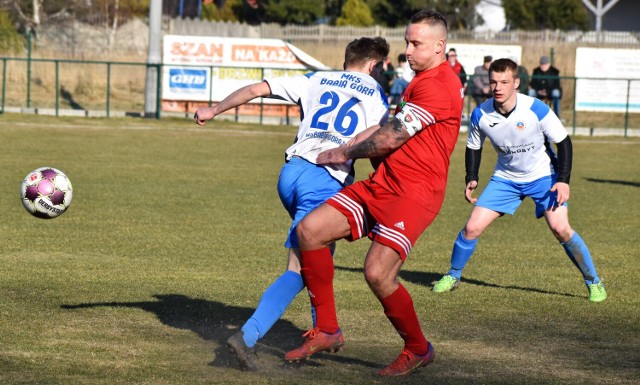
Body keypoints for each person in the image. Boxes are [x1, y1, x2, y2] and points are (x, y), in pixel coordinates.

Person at [194, 36, 391, 371]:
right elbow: (372, 135)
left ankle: (323, 328)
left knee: (317, 256)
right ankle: (247, 337)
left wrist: (213, 109)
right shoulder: (374, 91)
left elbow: (257, 89)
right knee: (300, 269)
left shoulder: (315, 78)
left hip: (292, 173)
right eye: (383, 68)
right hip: (324, 179)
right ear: (374, 65)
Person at [284, 9, 464, 377]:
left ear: (439, 46)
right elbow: (386, 125)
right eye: (407, 42)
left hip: (415, 194)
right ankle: (328, 329)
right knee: (309, 232)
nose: (408, 51)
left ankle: (418, 348)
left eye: (416, 44)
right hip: (384, 183)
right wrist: (355, 139)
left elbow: (392, 137)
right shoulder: (420, 80)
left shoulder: (440, 85)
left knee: (377, 273)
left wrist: (344, 151)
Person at [432, 58, 607, 303]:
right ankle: (453, 275)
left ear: (516, 83)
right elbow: (473, 146)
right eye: (493, 82)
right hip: (505, 179)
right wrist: (471, 177)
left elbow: (563, 142)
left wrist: (564, 180)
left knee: (561, 229)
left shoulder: (535, 108)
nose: (498, 87)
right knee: (472, 228)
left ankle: (593, 281)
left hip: (544, 177)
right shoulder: (480, 114)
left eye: (504, 82)